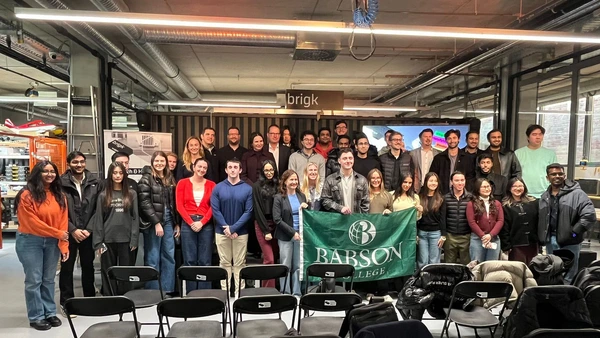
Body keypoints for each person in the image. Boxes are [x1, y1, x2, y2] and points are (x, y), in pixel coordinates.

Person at [15, 161, 69, 331]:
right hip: (30, 240)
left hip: (52, 241)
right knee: (34, 280)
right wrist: (58, 234)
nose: (49, 174)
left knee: (48, 279)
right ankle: (36, 316)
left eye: (52, 171)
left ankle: (49, 312)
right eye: (45, 171)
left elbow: (63, 222)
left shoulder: (59, 195)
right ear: (37, 173)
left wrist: (63, 244)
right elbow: (31, 222)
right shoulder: (26, 194)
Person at [539, 163, 597, 284]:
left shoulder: (577, 194)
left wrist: (574, 233)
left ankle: (568, 298)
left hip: (570, 241)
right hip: (551, 240)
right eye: (553, 174)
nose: (557, 176)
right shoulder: (545, 196)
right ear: (547, 177)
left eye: (560, 173)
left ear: (564, 176)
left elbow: (589, 215)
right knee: (554, 271)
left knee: (569, 274)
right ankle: (556, 296)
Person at [59, 151, 99, 317]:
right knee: (67, 268)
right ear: (69, 163)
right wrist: (73, 229)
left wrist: (88, 229)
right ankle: (67, 303)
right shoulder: (60, 183)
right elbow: (59, 210)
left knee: (88, 267)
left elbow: (98, 208)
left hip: (87, 233)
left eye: (82, 162)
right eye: (75, 162)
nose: (79, 165)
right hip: (68, 233)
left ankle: (90, 300)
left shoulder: (95, 182)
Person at [92, 162, 139, 296]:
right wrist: (98, 243)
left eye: (120, 173)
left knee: (126, 271)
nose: (118, 176)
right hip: (108, 239)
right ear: (110, 174)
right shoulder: (103, 195)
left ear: (124, 174)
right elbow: (99, 220)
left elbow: (135, 217)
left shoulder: (132, 194)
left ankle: (127, 297)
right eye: (115, 173)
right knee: (108, 270)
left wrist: (134, 239)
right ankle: (110, 297)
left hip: (126, 239)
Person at [138, 151, 180, 293]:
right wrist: (156, 222)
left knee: (169, 255)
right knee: (153, 257)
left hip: (169, 220)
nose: (160, 163)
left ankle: (167, 290)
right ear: (152, 162)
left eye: (162, 161)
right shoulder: (146, 179)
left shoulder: (169, 178)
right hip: (153, 223)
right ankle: (153, 292)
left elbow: (173, 203)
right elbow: (144, 203)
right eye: (157, 161)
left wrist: (176, 223)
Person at [211, 159, 253, 295]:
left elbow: (249, 212)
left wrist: (234, 228)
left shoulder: (247, 189)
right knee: (224, 263)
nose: (233, 169)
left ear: (240, 170)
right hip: (222, 232)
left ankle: (239, 294)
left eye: (236, 167)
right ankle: (225, 293)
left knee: (240, 264)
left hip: (241, 233)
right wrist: (226, 228)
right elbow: (215, 210)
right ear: (226, 170)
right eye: (230, 167)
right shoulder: (218, 188)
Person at [175, 158, 216, 291]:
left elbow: (213, 207)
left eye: (204, 167)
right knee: (189, 261)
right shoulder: (182, 183)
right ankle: (191, 292)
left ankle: (204, 292)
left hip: (206, 224)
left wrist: (202, 222)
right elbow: (179, 206)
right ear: (193, 167)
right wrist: (191, 222)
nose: (202, 170)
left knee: (205, 261)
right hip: (188, 224)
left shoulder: (212, 185)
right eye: (199, 166)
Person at [273, 170, 308, 297]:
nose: (294, 182)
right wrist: (293, 233)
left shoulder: (301, 196)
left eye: (295, 180)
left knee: (298, 266)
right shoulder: (278, 198)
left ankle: (297, 292)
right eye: (291, 180)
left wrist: (306, 207)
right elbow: (277, 219)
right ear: (285, 182)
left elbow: (307, 215)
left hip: (301, 236)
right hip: (285, 236)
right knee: (286, 265)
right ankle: (286, 292)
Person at [252, 160, 279, 288]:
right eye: (266, 170)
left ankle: (272, 287)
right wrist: (265, 230)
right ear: (262, 171)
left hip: (277, 225)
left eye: (271, 170)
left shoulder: (278, 185)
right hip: (263, 224)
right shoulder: (257, 186)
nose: (269, 173)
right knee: (269, 259)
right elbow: (257, 209)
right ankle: (268, 290)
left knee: (276, 259)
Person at [500, 178, 539, 265]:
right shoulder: (505, 206)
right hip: (515, 244)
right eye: (515, 186)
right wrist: (506, 245)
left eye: (520, 186)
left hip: (532, 243)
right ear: (509, 188)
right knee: (518, 270)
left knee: (533, 269)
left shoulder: (533, 202)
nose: (518, 188)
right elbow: (504, 227)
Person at [467, 178, 504, 263]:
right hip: (477, 239)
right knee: (477, 266)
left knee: (491, 267)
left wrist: (491, 235)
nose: (487, 189)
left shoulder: (497, 203)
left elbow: (500, 220)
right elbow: (471, 222)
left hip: (493, 238)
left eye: (488, 186)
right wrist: (483, 236)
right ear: (477, 189)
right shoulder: (471, 204)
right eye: (483, 187)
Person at [321, 148, 370, 214]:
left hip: (355, 221)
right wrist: (340, 208)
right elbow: (325, 201)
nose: (348, 161)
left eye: (350, 158)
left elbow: (366, 204)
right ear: (339, 161)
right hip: (338, 220)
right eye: (345, 158)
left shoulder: (362, 180)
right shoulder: (330, 179)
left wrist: (359, 219)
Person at [515, 124, 558, 198]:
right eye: (534, 134)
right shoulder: (518, 153)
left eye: (540, 134)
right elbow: (514, 174)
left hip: (545, 194)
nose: (538, 137)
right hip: (523, 194)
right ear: (528, 137)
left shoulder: (550, 154)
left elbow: (555, 174)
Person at [429, 129, 476, 195]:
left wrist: (466, 192)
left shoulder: (467, 158)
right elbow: (433, 175)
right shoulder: (439, 158)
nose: (452, 141)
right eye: (449, 138)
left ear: (458, 139)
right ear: (446, 140)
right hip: (442, 194)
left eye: (454, 138)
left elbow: (470, 177)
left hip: (462, 195)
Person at [440, 171, 472, 264]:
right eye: (457, 180)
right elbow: (443, 218)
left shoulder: (471, 197)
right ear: (451, 182)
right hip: (450, 236)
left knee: (467, 265)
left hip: (466, 236)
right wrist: (444, 234)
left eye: (462, 180)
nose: (460, 183)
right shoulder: (445, 198)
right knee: (449, 265)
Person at [417, 172, 445, 268]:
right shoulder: (419, 197)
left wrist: (443, 235)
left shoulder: (441, 198)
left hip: (436, 233)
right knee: (422, 261)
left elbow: (443, 218)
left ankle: (433, 281)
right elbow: (416, 218)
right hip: (421, 233)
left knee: (434, 261)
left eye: (435, 181)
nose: (433, 183)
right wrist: (415, 233)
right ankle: (422, 280)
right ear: (426, 182)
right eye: (431, 180)